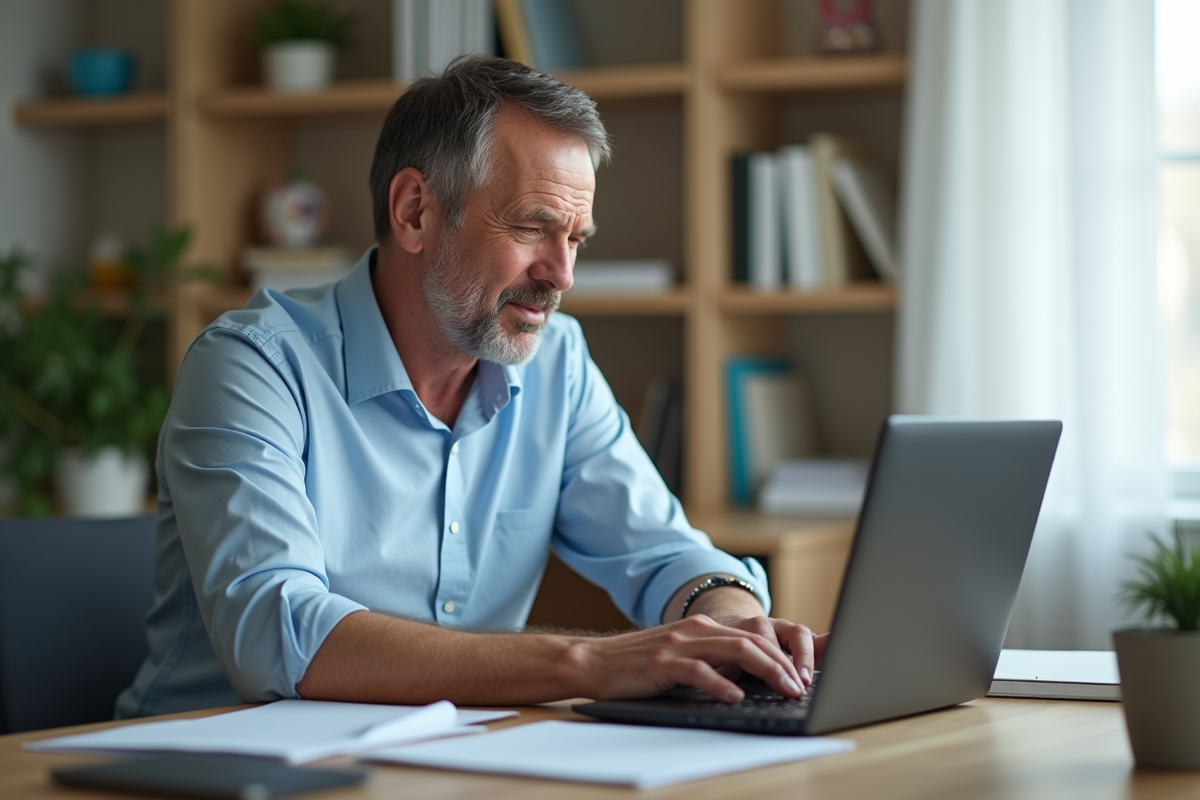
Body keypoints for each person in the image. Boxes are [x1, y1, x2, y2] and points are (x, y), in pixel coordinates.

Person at [116, 56, 824, 719]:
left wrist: (734, 627)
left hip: (449, 765)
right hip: (210, 768)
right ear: (416, 211)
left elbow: (666, 554)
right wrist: (586, 662)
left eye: (576, 238)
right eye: (533, 227)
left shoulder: (557, 363)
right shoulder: (251, 367)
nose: (562, 274)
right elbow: (275, 632)